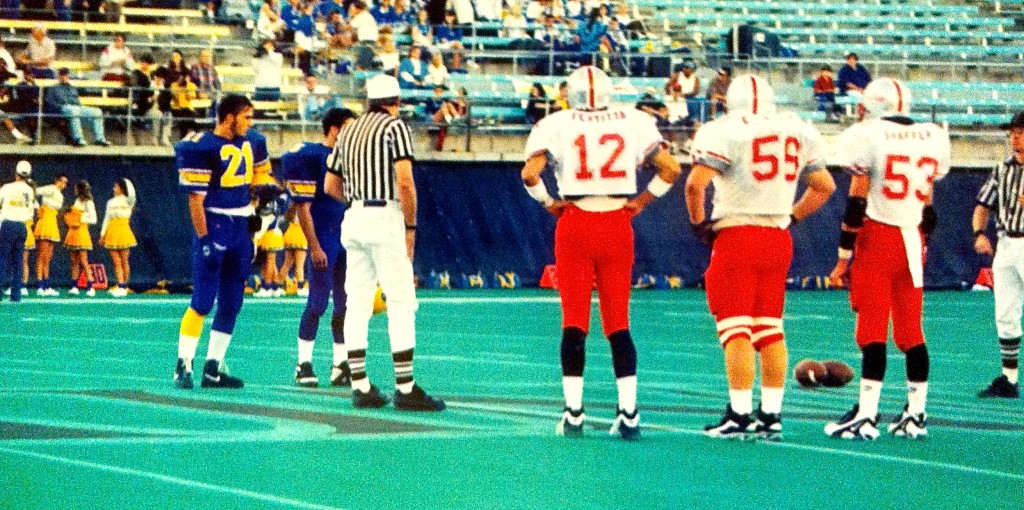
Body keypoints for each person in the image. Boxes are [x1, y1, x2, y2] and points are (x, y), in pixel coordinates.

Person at [521, 66, 682, 440]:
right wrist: (642, 200)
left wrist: (547, 202)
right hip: (616, 223)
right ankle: (629, 413)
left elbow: (530, 175)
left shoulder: (554, 123)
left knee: (574, 321)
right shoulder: (635, 119)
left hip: (576, 222)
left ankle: (574, 413)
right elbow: (671, 168)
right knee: (618, 322)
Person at [686, 74, 836, 440]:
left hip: (737, 234)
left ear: (727, 101)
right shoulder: (795, 129)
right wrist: (792, 217)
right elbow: (825, 186)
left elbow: (694, 184)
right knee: (770, 328)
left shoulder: (722, 129)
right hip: (777, 237)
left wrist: (698, 224)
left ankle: (738, 415)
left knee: (735, 328)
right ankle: (771, 415)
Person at [825, 78, 950, 439]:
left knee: (872, 329)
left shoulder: (869, 135)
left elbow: (856, 203)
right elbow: (928, 207)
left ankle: (866, 414)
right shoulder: (933, 135)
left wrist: (842, 258)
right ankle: (917, 414)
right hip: (913, 237)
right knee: (911, 330)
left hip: (879, 237)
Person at [326, 74, 445, 411]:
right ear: (396, 101)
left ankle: (361, 384)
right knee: (401, 300)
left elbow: (329, 184)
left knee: (357, 302)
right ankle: (405, 387)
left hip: (355, 217)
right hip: (385, 215)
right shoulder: (394, 128)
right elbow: (405, 183)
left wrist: (355, 200)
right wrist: (410, 226)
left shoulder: (349, 129)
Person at [173, 95, 273, 390]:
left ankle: (213, 368)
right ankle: (183, 365)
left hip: (241, 227)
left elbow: (258, 180)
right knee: (202, 301)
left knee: (232, 302)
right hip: (215, 224)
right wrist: (204, 237)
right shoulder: (202, 146)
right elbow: (195, 199)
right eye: (246, 116)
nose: (250, 122)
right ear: (229, 117)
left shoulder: (253, 141)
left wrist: (266, 201)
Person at [284, 107, 357, 387]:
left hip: (346, 236)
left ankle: (340, 364)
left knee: (345, 304)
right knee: (317, 302)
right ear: (336, 130)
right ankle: (303, 363)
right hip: (324, 236)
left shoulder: (350, 158)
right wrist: (314, 246)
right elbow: (303, 206)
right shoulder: (314, 156)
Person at [972, 110, 1024, 400]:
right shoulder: (1002, 169)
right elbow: (983, 203)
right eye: (1012, 132)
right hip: (1006, 243)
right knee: (1005, 313)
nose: (1014, 137)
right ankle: (1009, 378)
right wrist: (979, 233)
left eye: (1019, 131)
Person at [44, 67, 111, 147]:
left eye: (66, 75)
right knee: (73, 110)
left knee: (97, 111)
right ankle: (78, 139)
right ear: (59, 76)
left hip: (75, 107)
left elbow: (77, 102)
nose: (64, 77)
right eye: (62, 75)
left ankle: (100, 139)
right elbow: (50, 103)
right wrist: (61, 107)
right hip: (63, 109)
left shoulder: (72, 88)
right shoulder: (53, 88)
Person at [0, 161, 34, 303]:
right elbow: (30, 210)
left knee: (2, 259)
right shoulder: (30, 190)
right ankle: (16, 294)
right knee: (18, 261)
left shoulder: (7, 187)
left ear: (16, 173)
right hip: (22, 225)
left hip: (8, 224)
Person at [99, 178, 137, 297]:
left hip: (123, 230)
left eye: (116, 187)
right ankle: (120, 285)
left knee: (124, 261)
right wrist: (102, 234)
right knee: (116, 262)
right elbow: (106, 218)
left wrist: (126, 181)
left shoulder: (128, 201)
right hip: (111, 231)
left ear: (121, 188)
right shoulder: (110, 202)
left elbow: (132, 193)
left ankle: (124, 286)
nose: (113, 189)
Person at [33, 174, 66, 297]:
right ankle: (40, 285)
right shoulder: (51, 188)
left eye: (65, 183)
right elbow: (35, 192)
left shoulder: (60, 196)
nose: (64, 184)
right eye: (62, 181)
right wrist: (38, 208)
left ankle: (46, 285)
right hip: (45, 221)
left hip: (52, 222)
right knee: (41, 256)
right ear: (57, 180)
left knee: (48, 257)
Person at [64, 179, 98, 296]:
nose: (74, 190)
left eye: (76, 188)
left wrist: (81, 218)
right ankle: (74, 286)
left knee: (84, 261)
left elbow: (94, 219)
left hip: (82, 232)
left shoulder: (89, 203)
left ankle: (91, 287)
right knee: (74, 261)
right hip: (73, 232)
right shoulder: (77, 201)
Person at [279, 204, 308, 295]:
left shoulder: (292, 207)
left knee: (287, 263)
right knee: (300, 265)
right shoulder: (305, 207)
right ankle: (300, 287)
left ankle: (278, 286)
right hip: (300, 234)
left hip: (290, 233)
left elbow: (286, 219)